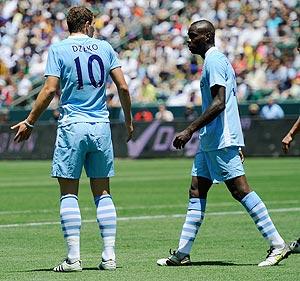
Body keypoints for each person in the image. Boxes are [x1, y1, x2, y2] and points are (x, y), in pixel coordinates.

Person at [157, 19, 293, 267]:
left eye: (193, 36)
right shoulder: (211, 60)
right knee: (197, 189)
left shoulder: (215, 60)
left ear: (207, 37)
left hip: (221, 138)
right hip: (211, 139)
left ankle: (277, 244)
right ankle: (183, 252)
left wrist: (189, 129)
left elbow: (219, 103)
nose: (189, 41)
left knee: (240, 190)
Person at [11, 6, 133, 272]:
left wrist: (30, 121)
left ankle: (73, 259)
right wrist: (129, 120)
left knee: (69, 193)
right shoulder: (104, 48)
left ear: (69, 24)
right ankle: (109, 257)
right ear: (88, 23)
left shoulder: (58, 49)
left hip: (72, 126)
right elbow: (123, 86)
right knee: (103, 192)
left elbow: (50, 89)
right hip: (100, 126)